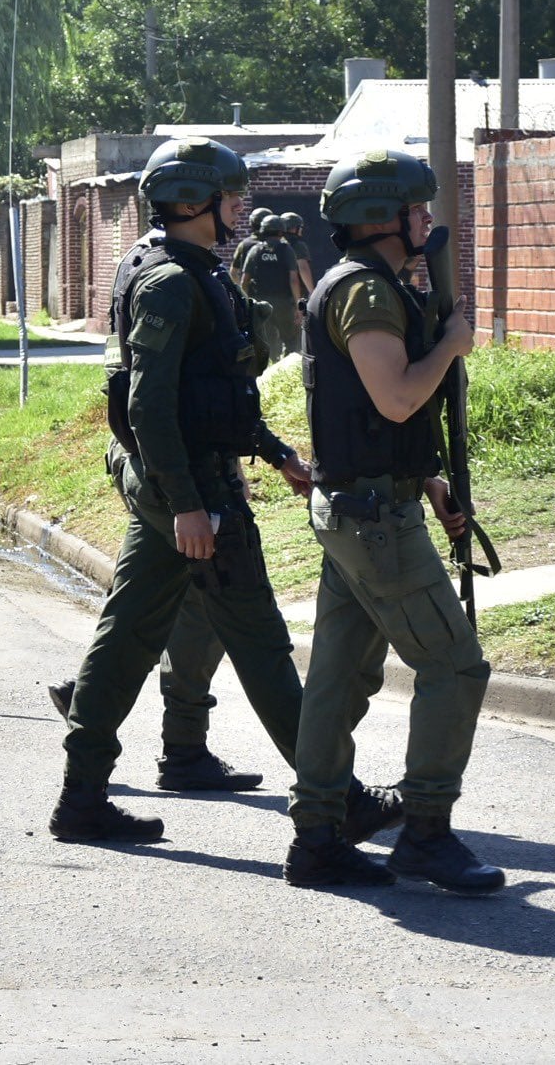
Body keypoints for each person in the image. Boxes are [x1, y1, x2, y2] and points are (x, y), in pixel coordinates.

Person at [49, 138, 400, 848]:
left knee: (127, 638)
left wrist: (274, 454)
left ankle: (82, 797)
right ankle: (334, 797)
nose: (242, 203)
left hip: (181, 477)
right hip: (192, 487)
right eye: (230, 193)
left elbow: (214, 390)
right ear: (190, 202)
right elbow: (149, 407)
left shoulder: (182, 267)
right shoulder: (171, 282)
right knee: (262, 644)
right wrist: (186, 503)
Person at [281, 150, 502, 893]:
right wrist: (451, 344)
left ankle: (317, 839)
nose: (429, 221)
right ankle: (428, 835)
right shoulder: (367, 295)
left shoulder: (364, 285)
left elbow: (372, 422)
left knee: (339, 680)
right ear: (385, 217)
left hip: (364, 504)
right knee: (454, 664)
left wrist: (429, 479)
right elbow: (398, 398)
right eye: (419, 209)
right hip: (372, 520)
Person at [238, 211, 301, 363]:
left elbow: (244, 281)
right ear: (281, 231)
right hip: (283, 304)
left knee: (267, 342)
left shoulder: (255, 251)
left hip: (261, 304)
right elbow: (293, 279)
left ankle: (270, 369)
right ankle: (287, 369)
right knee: (291, 340)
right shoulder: (287, 250)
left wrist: (244, 304)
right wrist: (298, 305)